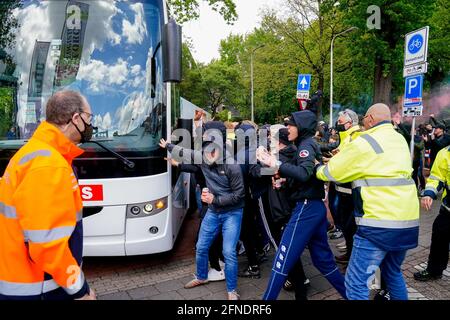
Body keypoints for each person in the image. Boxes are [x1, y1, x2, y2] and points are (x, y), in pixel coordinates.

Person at [315, 103, 419, 300]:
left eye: (364, 119)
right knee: (393, 273)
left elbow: (333, 172)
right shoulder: (400, 139)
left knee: (355, 284)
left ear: (371, 119)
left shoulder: (365, 141)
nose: (363, 123)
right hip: (407, 221)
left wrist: (316, 168)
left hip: (378, 224)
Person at [0, 91, 95, 300]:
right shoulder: (48, 165)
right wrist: (80, 290)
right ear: (76, 119)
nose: (91, 125)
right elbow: (48, 246)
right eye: (90, 118)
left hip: (30, 283)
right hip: (40, 289)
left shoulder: (37, 153)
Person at [257, 110, 347, 300]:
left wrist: (277, 164)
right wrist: (284, 181)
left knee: (282, 261)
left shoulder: (305, 145)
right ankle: (353, 296)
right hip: (313, 208)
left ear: (302, 126)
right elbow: (307, 176)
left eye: (291, 124)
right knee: (324, 262)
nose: (287, 128)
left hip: (306, 208)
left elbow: (305, 172)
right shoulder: (304, 144)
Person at [159, 124, 245, 300]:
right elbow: (186, 153)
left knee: (228, 251)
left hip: (232, 213)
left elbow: (240, 195)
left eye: (212, 152)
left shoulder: (232, 166)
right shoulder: (202, 157)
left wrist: (215, 200)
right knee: (201, 246)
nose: (208, 156)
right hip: (213, 211)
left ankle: (232, 290)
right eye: (206, 153)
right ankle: (201, 276)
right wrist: (168, 146)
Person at [414, 146, 450, 281]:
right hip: (448, 208)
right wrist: (429, 193)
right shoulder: (445, 153)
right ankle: (434, 270)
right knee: (439, 236)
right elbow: (436, 178)